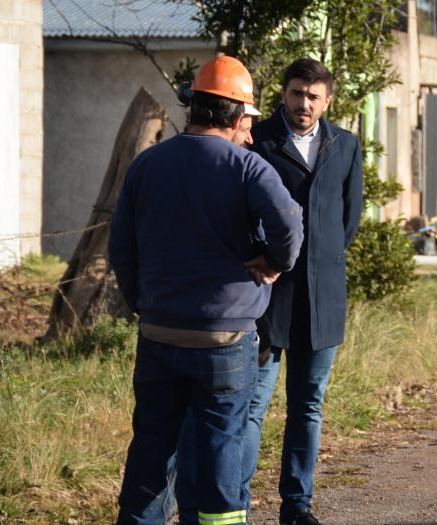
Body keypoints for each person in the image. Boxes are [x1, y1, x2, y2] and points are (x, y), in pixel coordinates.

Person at [109, 55, 304, 525]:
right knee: (221, 451)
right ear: (237, 117)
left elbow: (121, 250)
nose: (252, 134)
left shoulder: (146, 165)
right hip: (226, 342)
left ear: (194, 108)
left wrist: (145, 305)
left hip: (158, 334)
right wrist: (273, 263)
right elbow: (290, 231)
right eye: (249, 123)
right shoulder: (249, 169)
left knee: (151, 451)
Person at [170, 57, 364, 525]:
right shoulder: (257, 141)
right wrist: (267, 257)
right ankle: (237, 500)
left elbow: (349, 220)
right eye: (297, 93)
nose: (304, 103)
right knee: (253, 404)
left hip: (323, 299)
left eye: (314, 96)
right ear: (284, 94)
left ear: (328, 101)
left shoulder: (346, 145)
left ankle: (297, 504)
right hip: (265, 296)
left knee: (308, 405)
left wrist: (319, 258)